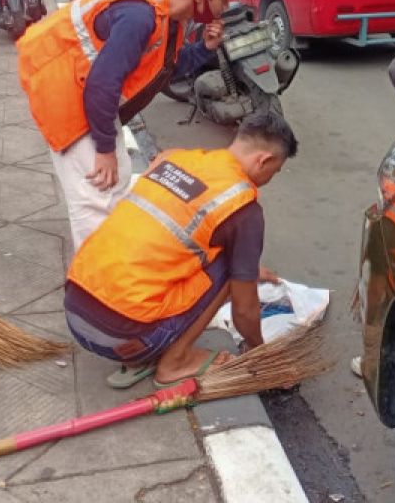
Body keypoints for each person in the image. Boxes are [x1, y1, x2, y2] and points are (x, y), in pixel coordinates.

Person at [17, 0, 254, 250]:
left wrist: (205, 49)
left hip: (91, 96)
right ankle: (94, 282)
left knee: (118, 179)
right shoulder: (140, 17)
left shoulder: (171, 16)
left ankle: (113, 264)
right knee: (95, 196)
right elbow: (102, 84)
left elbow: (165, 68)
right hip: (68, 96)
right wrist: (104, 148)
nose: (226, 5)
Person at [64, 109, 297, 388]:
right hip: (127, 337)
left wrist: (251, 270)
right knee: (232, 265)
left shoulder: (173, 159)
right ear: (265, 160)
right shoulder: (243, 209)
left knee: (217, 254)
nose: (273, 177)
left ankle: (142, 358)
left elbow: (163, 242)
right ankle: (176, 362)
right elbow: (244, 312)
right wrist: (260, 352)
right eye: (277, 170)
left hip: (76, 313)